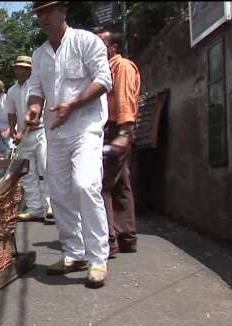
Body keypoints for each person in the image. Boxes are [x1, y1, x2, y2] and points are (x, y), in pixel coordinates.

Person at [26, 1, 112, 288]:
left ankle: (98, 258)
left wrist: (73, 105)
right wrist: (34, 110)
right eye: (39, 13)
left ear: (63, 11)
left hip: (85, 127)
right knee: (59, 193)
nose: (43, 18)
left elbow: (103, 80)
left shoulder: (87, 41)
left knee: (85, 184)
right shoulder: (39, 55)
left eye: (47, 11)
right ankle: (74, 253)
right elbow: (36, 91)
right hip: (55, 133)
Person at [98, 30, 141, 255]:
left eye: (101, 43)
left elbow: (125, 100)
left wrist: (124, 132)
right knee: (121, 183)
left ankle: (108, 239)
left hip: (118, 128)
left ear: (113, 47)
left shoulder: (121, 66)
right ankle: (127, 237)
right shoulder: (106, 68)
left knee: (102, 184)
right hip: (116, 128)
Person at [5, 56, 54, 223]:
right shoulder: (11, 91)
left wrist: (21, 131)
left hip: (40, 131)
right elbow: (11, 113)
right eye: (18, 67)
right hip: (23, 136)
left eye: (24, 67)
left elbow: (35, 112)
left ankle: (51, 205)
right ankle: (35, 208)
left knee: (46, 168)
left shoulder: (36, 87)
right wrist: (13, 130)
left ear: (29, 70)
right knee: (28, 173)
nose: (20, 70)